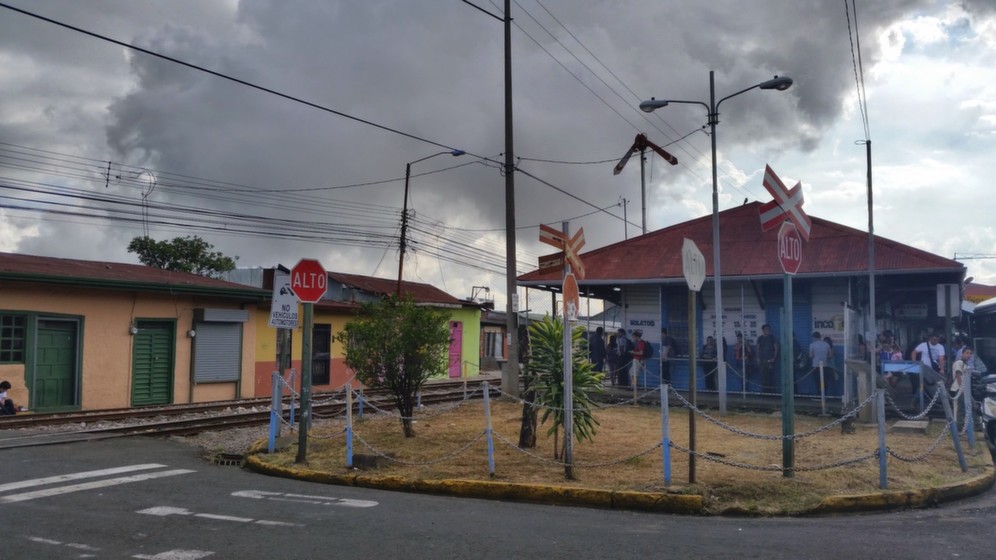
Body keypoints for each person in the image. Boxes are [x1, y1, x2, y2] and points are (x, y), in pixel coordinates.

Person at [912, 333, 946, 404]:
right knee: (922, 384)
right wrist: (914, 362)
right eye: (934, 339)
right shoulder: (923, 345)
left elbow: (941, 358)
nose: (936, 341)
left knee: (934, 384)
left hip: (934, 368)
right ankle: (918, 399)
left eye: (937, 340)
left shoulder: (940, 347)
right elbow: (914, 352)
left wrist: (942, 369)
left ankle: (935, 399)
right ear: (930, 338)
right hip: (924, 368)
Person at [756, 324, 779, 392]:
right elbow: (757, 349)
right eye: (766, 329)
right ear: (763, 330)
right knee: (763, 377)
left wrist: (774, 358)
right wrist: (757, 358)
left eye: (768, 329)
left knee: (771, 377)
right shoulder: (760, 338)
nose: (768, 330)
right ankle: (765, 392)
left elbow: (776, 348)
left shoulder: (772, 337)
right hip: (762, 361)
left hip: (770, 361)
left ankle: (773, 393)